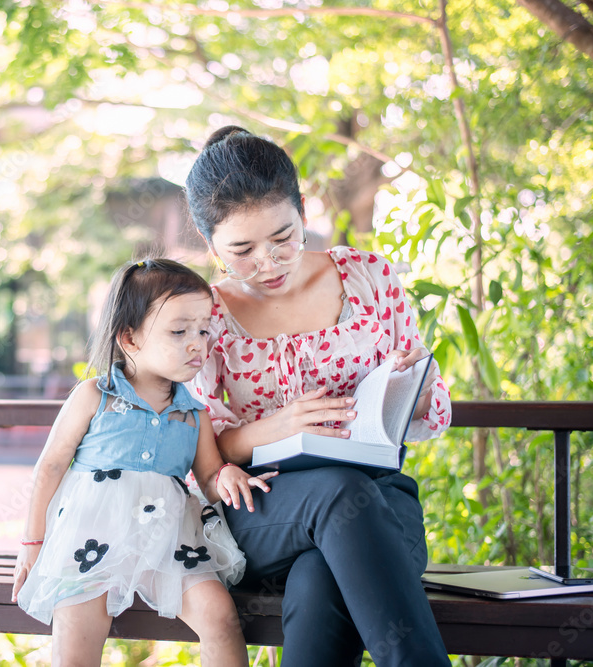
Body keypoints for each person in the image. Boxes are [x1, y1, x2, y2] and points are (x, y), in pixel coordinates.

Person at [182, 125, 453, 667]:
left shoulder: (368, 277)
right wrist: (280, 426)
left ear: (304, 209)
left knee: (320, 577)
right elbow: (198, 448)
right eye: (242, 250)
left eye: (283, 237)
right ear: (209, 245)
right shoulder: (202, 316)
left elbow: (432, 401)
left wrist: (413, 392)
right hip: (261, 510)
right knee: (335, 490)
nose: (269, 261)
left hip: (379, 503)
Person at [12, 258, 276, 666]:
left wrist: (225, 474)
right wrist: (33, 543)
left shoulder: (194, 414)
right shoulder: (95, 396)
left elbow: (207, 476)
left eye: (204, 330)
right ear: (130, 339)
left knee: (220, 616)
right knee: (77, 633)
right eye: (179, 331)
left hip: (168, 540)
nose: (197, 343)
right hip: (90, 539)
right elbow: (49, 468)